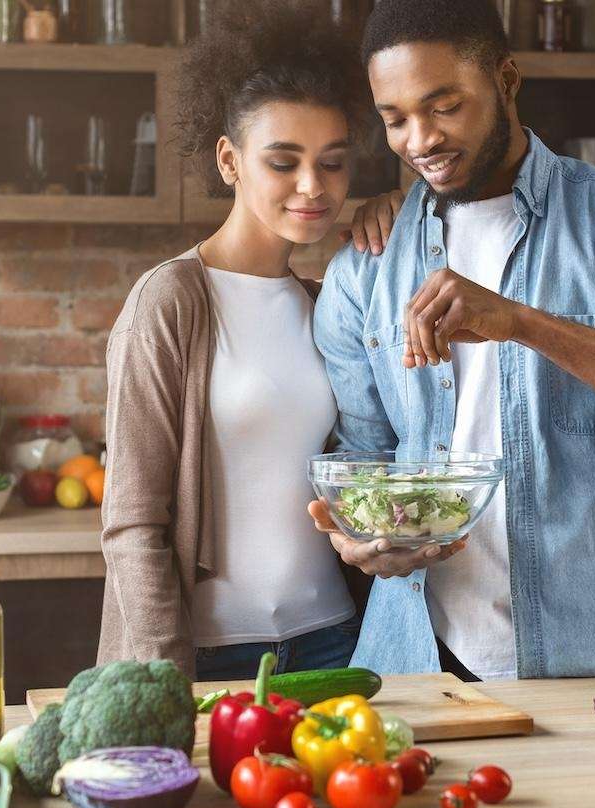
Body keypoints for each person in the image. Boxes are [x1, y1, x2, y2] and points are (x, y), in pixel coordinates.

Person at [309, 0, 595, 681]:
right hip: (415, 668)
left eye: (444, 106)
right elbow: (367, 461)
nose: (420, 139)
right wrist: (366, 543)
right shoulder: (365, 267)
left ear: (507, 81)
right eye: (395, 118)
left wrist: (520, 322)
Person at [97, 0, 373, 681]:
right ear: (230, 159)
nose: (313, 186)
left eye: (333, 163)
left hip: (335, 643)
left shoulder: (327, 305)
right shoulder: (170, 303)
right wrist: (166, 678)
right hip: (212, 655)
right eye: (284, 161)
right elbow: (133, 526)